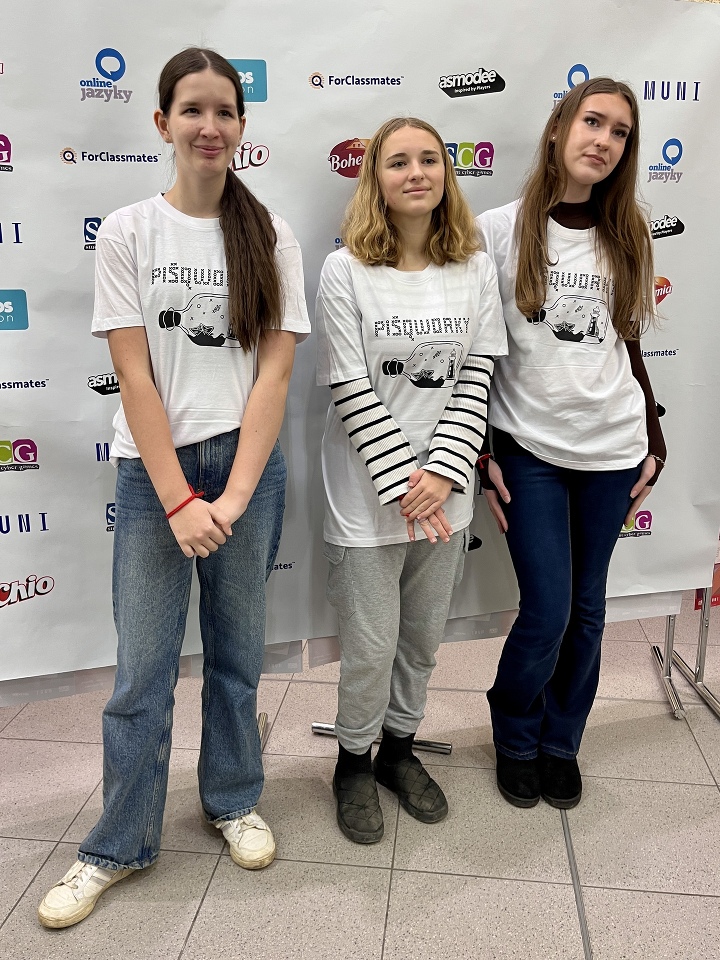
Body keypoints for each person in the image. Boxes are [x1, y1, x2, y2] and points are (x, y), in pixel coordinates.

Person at [38, 48, 310, 928]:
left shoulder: (271, 235)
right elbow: (135, 376)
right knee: (141, 675)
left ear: (243, 124)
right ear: (162, 123)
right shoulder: (128, 231)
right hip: (156, 475)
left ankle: (232, 799)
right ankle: (117, 845)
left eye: (225, 110)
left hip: (247, 469)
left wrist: (230, 496)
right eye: (192, 110)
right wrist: (181, 500)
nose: (209, 126)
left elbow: (273, 378)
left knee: (236, 659)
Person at [477, 77, 666, 811]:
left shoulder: (628, 233)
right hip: (531, 450)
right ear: (559, 128)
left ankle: (561, 742)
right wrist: (484, 451)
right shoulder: (499, 229)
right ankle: (514, 730)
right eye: (593, 122)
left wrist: (654, 436)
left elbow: (629, 342)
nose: (604, 141)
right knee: (547, 610)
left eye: (620, 132)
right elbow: (477, 352)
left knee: (588, 610)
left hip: (613, 450)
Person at [316, 117, 507, 843]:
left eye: (430, 159)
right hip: (367, 497)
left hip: (445, 496)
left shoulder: (474, 267)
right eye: (398, 162)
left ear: (446, 175)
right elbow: (348, 383)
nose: (417, 172)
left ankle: (398, 751)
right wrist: (405, 479)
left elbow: (478, 372)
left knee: (422, 640)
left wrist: (443, 473)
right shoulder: (345, 270)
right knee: (370, 648)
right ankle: (353, 764)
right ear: (376, 178)